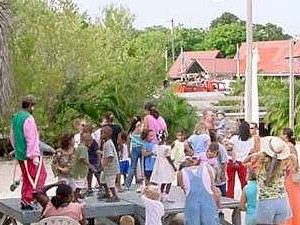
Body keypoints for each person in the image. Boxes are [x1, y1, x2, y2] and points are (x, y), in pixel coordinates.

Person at [10, 95, 47, 210]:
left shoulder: (15, 117)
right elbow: (31, 138)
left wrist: (15, 149)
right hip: (29, 155)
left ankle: (26, 199)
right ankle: (32, 198)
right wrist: (34, 155)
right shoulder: (28, 118)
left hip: (21, 153)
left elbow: (12, 136)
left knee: (27, 177)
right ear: (30, 106)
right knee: (38, 176)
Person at [250, 136, 296, 225]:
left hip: (265, 202)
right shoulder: (283, 165)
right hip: (282, 200)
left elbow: (245, 162)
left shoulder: (260, 164)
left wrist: (256, 154)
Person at [177, 157, 220, 225]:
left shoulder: (180, 173)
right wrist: (218, 206)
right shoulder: (207, 168)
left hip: (192, 205)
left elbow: (184, 190)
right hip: (208, 204)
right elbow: (214, 191)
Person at [227, 121, 254, 198]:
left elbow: (229, 147)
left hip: (232, 161)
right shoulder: (251, 140)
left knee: (230, 182)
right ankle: (245, 198)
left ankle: (230, 198)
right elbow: (251, 152)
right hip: (243, 162)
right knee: (244, 182)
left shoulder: (235, 138)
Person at [150, 131, 177, 202]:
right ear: (164, 138)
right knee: (169, 179)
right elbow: (168, 157)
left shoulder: (156, 147)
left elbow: (155, 154)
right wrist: (173, 166)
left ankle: (161, 195)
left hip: (159, 164)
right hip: (166, 164)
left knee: (163, 180)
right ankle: (166, 195)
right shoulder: (167, 147)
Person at [281, 128, 300, 225]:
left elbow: (291, 162)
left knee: (290, 198)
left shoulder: (288, 146)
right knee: (294, 198)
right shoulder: (291, 146)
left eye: (282, 134)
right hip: (292, 175)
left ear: (285, 135)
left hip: (290, 175)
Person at [100, 126, 120, 202]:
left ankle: (115, 196)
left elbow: (110, 156)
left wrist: (104, 164)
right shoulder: (106, 143)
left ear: (107, 134)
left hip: (110, 168)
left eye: (102, 133)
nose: (101, 135)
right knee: (103, 180)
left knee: (110, 183)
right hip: (106, 168)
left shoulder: (108, 144)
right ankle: (107, 193)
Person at [72, 132, 91, 201]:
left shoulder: (79, 147)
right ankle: (75, 198)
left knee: (78, 184)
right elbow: (82, 158)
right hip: (80, 171)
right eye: (89, 141)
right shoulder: (83, 148)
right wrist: (90, 165)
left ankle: (76, 196)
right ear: (86, 141)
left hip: (77, 171)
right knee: (79, 185)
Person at [125, 121, 144, 189]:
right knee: (143, 166)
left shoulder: (132, 132)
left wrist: (128, 151)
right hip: (142, 148)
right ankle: (144, 183)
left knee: (132, 167)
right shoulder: (142, 131)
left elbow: (128, 142)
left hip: (134, 149)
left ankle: (127, 185)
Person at [84, 131, 102, 196]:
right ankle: (89, 188)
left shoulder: (94, 143)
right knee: (89, 175)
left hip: (94, 161)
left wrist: (99, 161)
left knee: (97, 173)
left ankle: (101, 186)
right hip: (88, 161)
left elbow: (98, 152)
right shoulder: (84, 144)